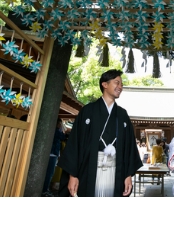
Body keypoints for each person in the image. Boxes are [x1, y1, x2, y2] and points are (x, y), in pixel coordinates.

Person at [58, 69, 143, 197]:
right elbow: (75, 144)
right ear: (105, 84)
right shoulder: (88, 111)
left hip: (116, 172)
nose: (120, 87)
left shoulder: (122, 114)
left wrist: (128, 175)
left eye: (121, 84)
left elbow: (129, 148)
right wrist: (73, 175)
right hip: (89, 171)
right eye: (117, 83)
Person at [42, 119, 67, 197]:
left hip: (51, 154)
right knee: (49, 173)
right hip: (52, 154)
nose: (60, 125)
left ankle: (45, 189)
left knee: (48, 173)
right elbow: (63, 137)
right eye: (59, 124)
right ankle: (44, 190)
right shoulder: (55, 131)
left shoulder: (50, 130)